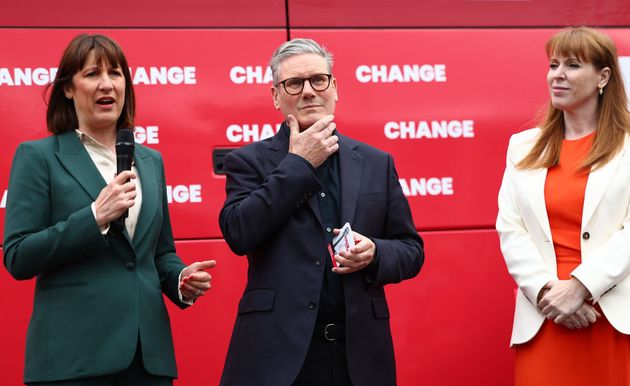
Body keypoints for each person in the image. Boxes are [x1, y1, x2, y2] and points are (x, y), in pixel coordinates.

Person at [3, 34, 215, 386]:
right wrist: (94, 217)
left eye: (115, 74)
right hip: (74, 359)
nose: (107, 84)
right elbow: (18, 255)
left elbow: (158, 253)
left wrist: (180, 280)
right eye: (92, 74)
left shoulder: (150, 161)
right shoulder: (38, 156)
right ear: (68, 88)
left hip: (147, 359)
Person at [219, 38, 424, 386]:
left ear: (335, 88)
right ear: (275, 96)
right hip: (278, 357)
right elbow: (239, 233)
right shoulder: (247, 161)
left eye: (319, 80)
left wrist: (375, 253)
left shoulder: (376, 162)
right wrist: (299, 163)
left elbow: (411, 250)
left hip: (357, 356)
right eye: (294, 83)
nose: (309, 91)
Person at [496, 27, 630, 386]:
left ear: (603, 76)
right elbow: (510, 229)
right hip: (545, 319)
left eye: (572, 65)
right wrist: (546, 292)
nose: (558, 74)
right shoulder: (522, 146)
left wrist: (581, 287)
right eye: (554, 64)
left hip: (614, 318)